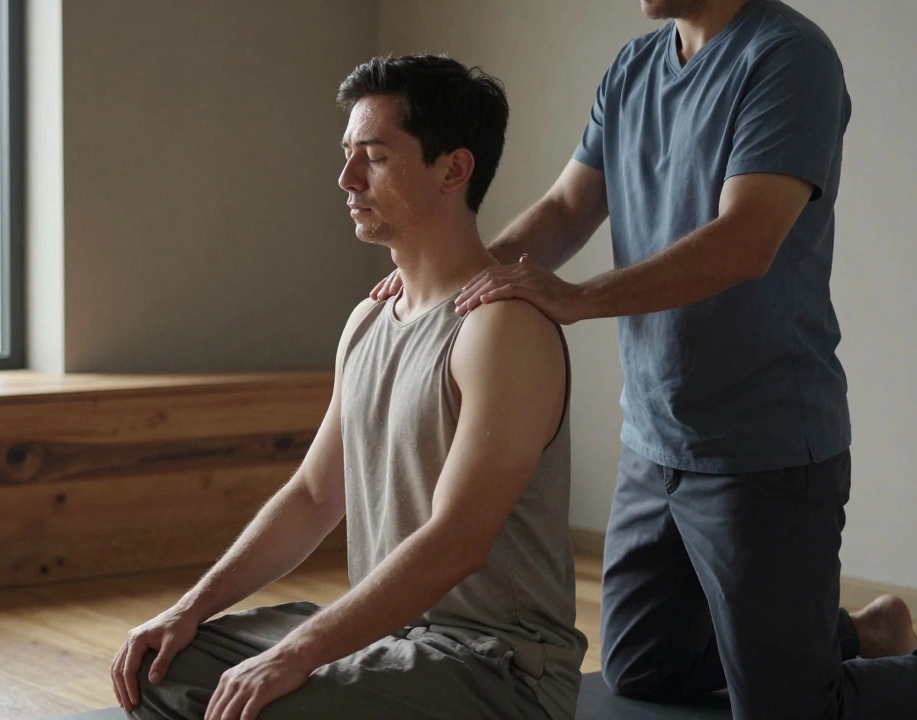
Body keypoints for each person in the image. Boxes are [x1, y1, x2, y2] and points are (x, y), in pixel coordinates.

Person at [373, 1, 917, 719]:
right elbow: (566, 209)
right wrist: (459, 280)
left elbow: (747, 239)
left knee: (787, 709)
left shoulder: (789, 57)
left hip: (763, 444)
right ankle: (863, 633)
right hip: (655, 438)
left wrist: (576, 298)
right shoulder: (633, 68)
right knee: (643, 668)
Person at [111, 54, 587, 720]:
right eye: (347, 155)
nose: (347, 178)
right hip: (387, 639)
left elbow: (457, 540)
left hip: (495, 668)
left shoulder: (502, 332)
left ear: (453, 169)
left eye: (376, 158)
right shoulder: (369, 318)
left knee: (267, 706)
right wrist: (190, 609)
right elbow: (312, 495)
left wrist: (298, 654)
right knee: (159, 666)